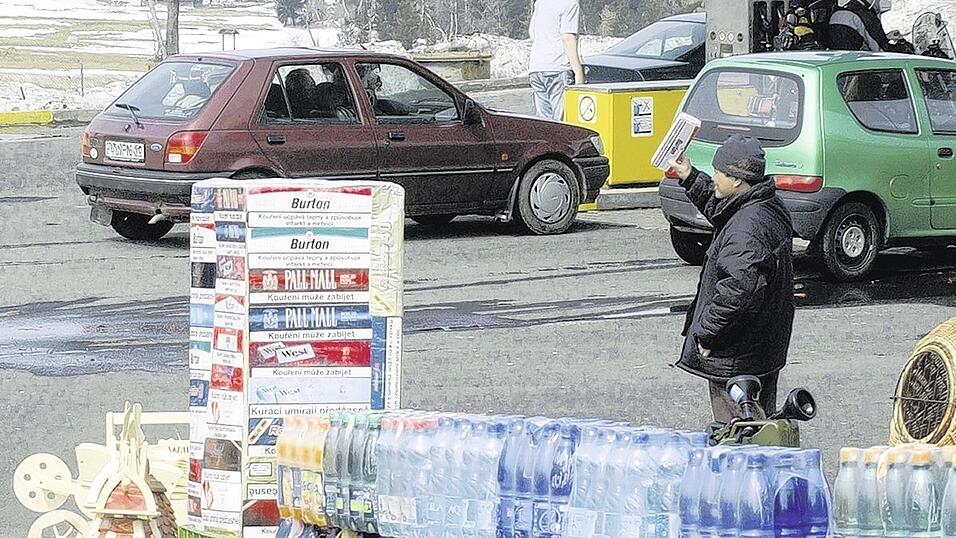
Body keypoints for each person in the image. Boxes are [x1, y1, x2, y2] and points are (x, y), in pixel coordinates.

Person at [667, 135, 795, 423]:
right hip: (761, 349)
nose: (713, 177)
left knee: (740, 438)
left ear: (737, 180)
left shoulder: (747, 228)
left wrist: (708, 334)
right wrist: (688, 176)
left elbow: (739, 291)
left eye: (719, 172)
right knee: (761, 429)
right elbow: (722, 211)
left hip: (736, 357)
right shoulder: (761, 204)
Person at [528, 0, 585, 121]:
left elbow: (532, 34)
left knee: (545, 124)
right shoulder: (570, 4)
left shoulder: (540, 3)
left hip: (536, 67)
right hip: (558, 68)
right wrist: (578, 72)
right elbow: (568, 38)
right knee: (562, 123)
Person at [827, 0, 892, 51]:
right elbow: (882, 50)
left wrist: (886, 37)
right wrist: (901, 45)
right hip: (858, 63)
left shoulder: (836, 13)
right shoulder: (865, 17)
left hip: (838, 63)